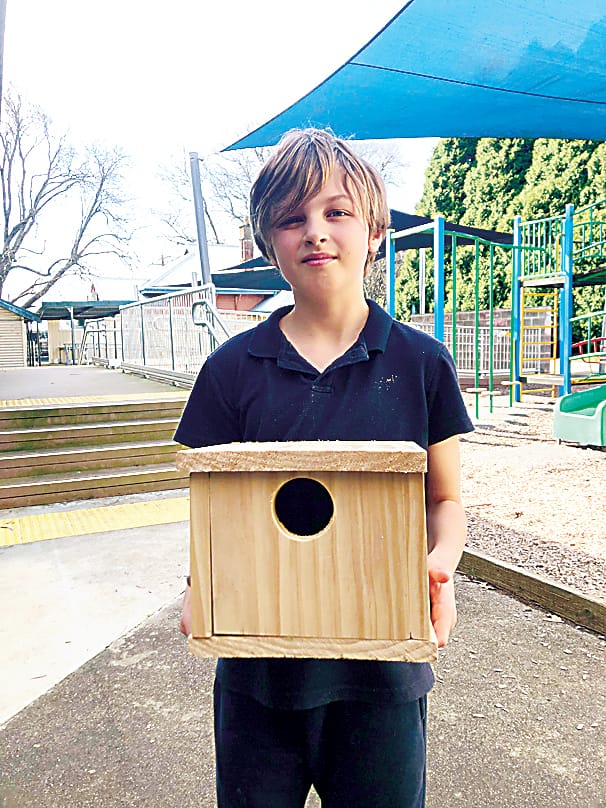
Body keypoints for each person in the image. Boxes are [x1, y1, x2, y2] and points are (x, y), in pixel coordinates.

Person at [176, 128, 473, 807]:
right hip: (259, 678)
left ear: (372, 232)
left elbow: (445, 499)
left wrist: (442, 563)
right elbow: (213, 508)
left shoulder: (420, 364)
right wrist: (199, 585)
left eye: (337, 212)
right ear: (266, 243)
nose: (315, 231)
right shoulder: (229, 372)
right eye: (292, 218)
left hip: (384, 676)